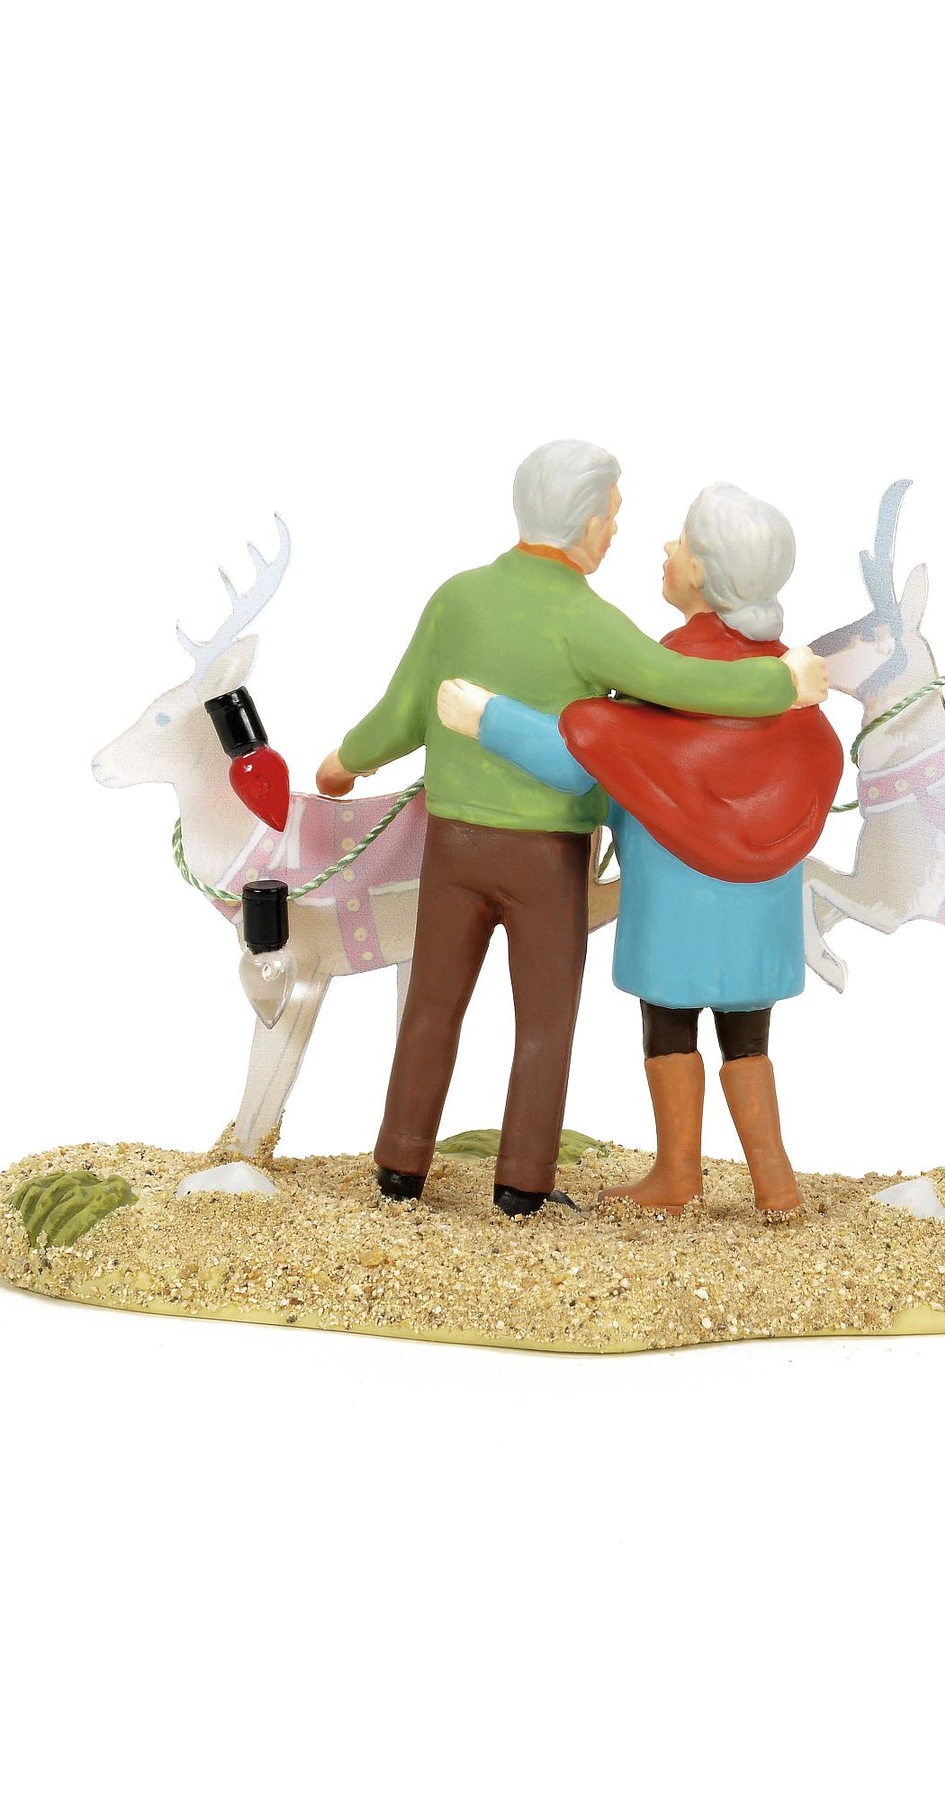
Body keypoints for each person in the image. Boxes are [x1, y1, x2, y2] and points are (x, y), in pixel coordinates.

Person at [316, 443, 828, 1217]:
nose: (624, 533)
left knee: (432, 1004)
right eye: (613, 517)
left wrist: (347, 761)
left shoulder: (457, 598)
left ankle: (399, 1165)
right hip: (548, 857)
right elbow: (680, 692)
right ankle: (525, 1182)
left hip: (455, 843)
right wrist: (781, 679)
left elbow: (410, 711)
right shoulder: (590, 621)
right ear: (586, 524)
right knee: (546, 1023)